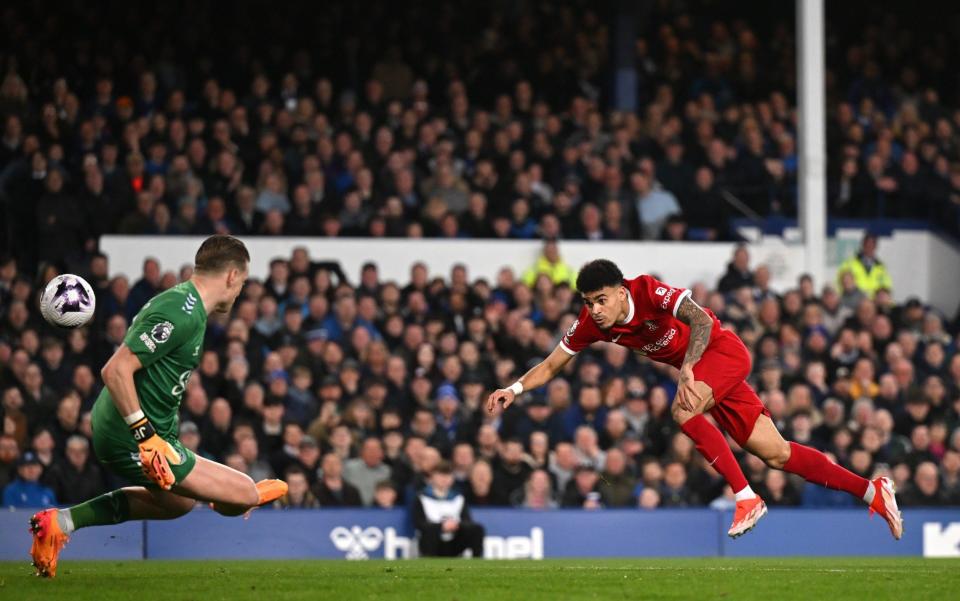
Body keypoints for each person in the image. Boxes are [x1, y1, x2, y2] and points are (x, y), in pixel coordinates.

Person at [487, 259, 902, 540]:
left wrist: (688, 365)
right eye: (588, 303)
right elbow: (551, 365)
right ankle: (872, 492)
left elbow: (701, 319)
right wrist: (514, 389)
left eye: (600, 300)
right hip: (704, 376)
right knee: (776, 454)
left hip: (722, 354)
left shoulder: (649, 291)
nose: (594, 310)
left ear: (619, 291)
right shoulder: (591, 325)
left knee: (682, 408)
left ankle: (746, 498)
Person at [28, 235, 288, 578]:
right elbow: (115, 370)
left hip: (147, 430)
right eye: (242, 281)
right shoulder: (181, 311)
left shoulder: (187, 306)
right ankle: (224, 493)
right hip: (131, 432)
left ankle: (61, 522)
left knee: (178, 503)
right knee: (245, 493)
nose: (240, 291)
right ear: (230, 276)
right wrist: (144, 435)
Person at [413, 461, 485, 558]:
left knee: (477, 529)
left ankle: (477, 561)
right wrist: (441, 526)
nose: (444, 479)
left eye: (447, 475)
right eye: (440, 475)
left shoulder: (458, 498)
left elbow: (467, 521)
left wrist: (456, 525)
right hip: (433, 541)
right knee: (429, 532)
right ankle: (428, 559)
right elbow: (419, 523)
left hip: (454, 540)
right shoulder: (422, 497)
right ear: (432, 477)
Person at [836, 233, 893, 298]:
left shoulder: (881, 267)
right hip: (854, 302)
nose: (869, 247)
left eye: (872, 244)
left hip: (874, 304)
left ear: (876, 247)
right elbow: (839, 284)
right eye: (867, 244)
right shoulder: (849, 264)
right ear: (862, 245)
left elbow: (887, 288)